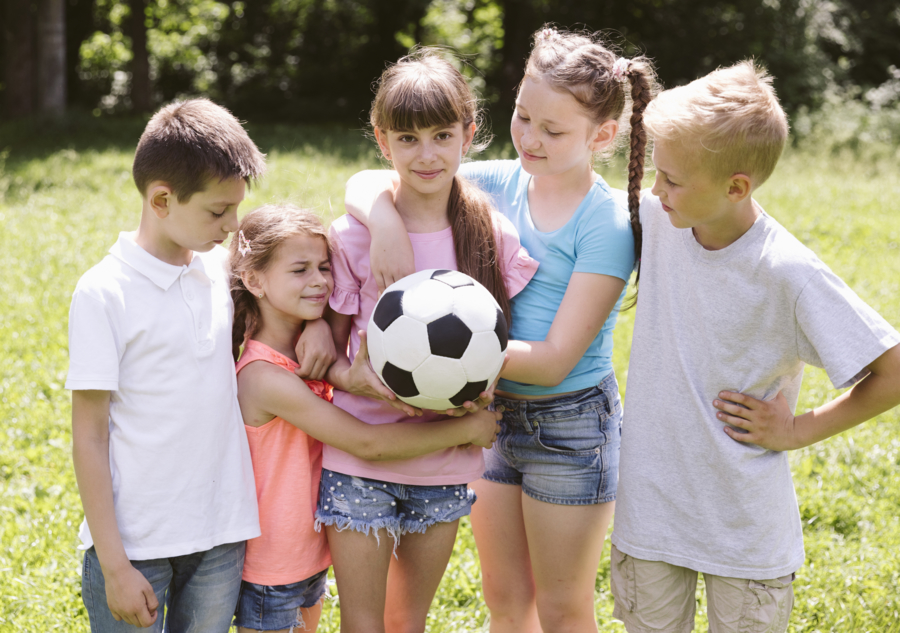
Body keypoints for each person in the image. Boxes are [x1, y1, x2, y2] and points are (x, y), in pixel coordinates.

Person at [343, 28, 655, 633]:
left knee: (562, 607)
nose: (530, 139)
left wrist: (450, 355)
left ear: (602, 136)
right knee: (505, 599)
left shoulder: (606, 223)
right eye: (523, 117)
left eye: (553, 131)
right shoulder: (497, 181)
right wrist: (383, 219)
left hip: (569, 425)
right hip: (489, 414)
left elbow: (556, 359)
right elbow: (369, 179)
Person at [609, 61, 900, 633]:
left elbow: (893, 370)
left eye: (672, 179)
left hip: (745, 532)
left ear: (736, 187)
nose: (654, 189)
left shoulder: (787, 271)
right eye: (657, 173)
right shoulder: (660, 217)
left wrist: (797, 431)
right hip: (651, 515)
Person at [318, 49, 539, 633]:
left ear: (469, 134)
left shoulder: (491, 235)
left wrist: (483, 389)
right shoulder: (354, 236)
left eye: (442, 135)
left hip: (443, 465)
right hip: (357, 463)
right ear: (382, 140)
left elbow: (501, 343)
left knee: (408, 622)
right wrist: (348, 377)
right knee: (362, 624)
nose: (426, 154)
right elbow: (325, 353)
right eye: (408, 138)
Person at [227, 203, 502, 633]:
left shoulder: (303, 354)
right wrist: (466, 428)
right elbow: (367, 443)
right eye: (300, 270)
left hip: (306, 561)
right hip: (272, 572)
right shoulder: (264, 377)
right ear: (254, 280)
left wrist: (319, 327)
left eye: (324, 267)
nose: (320, 281)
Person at [66, 99, 266, 632]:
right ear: (161, 200)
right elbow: (89, 435)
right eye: (218, 212)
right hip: (136, 547)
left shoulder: (221, 268)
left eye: (236, 208)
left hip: (220, 534)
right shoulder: (103, 292)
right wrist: (115, 566)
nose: (233, 225)